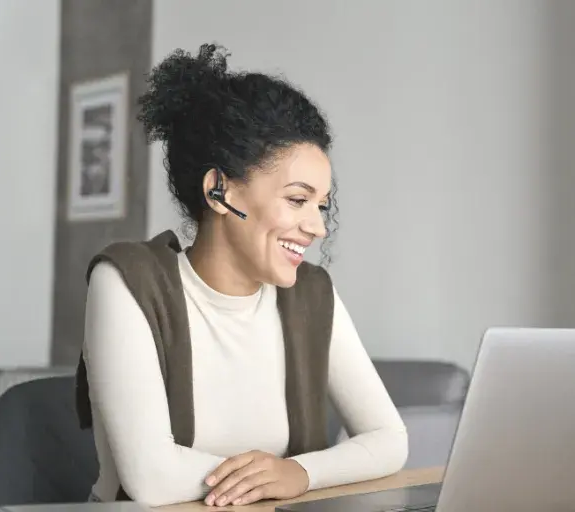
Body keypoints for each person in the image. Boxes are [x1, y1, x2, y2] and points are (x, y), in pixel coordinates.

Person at [79, 42, 408, 508]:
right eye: (297, 200)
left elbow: (389, 438)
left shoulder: (313, 296)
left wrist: (300, 473)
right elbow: (151, 478)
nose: (316, 226)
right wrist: (279, 477)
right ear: (219, 191)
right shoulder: (127, 281)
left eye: (321, 205)